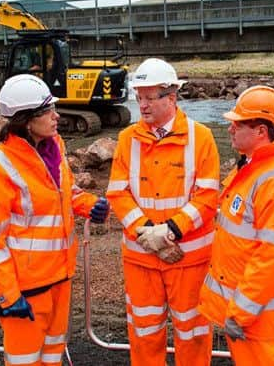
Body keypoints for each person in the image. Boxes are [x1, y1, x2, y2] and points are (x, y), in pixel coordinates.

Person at [0, 74, 110, 366]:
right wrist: (8, 296)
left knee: (52, 358)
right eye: (47, 111)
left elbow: (65, 194)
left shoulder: (54, 148)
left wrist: (88, 205)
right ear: (25, 120)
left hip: (60, 279)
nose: (56, 116)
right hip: (27, 291)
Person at [106, 58, 220, 366]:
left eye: (149, 97)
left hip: (188, 260)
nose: (142, 105)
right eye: (138, 97)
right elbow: (118, 193)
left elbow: (207, 197)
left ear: (171, 97)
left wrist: (168, 232)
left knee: (193, 334)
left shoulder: (201, 138)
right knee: (144, 335)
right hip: (141, 260)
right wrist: (147, 233)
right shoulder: (127, 139)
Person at [198, 86, 274, 366]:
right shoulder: (250, 170)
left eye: (238, 124)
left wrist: (241, 312)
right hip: (244, 310)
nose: (230, 129)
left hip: (253, 315)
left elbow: (272, 257)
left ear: (260, 131)